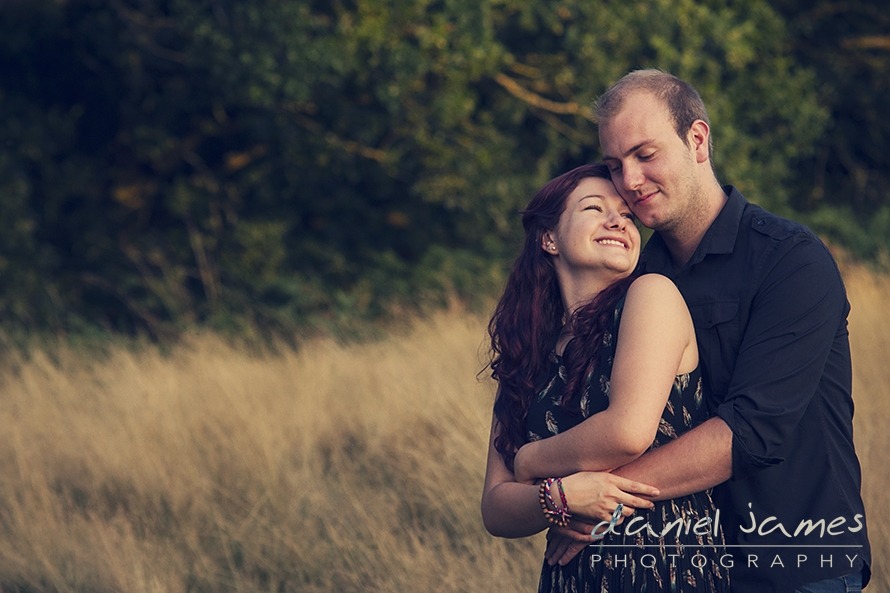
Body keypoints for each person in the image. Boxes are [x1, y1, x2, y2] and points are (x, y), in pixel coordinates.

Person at [540, 69, 871, 593]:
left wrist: (605, 501)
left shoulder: (790, 261)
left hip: (798, 562)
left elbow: (751, 432)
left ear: (697, 140)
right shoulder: (638, 278)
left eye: (645, 155)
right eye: (614, 164)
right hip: (693, 565)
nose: (628, 180)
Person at [481, 163, 729, 592]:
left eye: (627, 216)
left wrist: (530, 462)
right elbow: (495, 507)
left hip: (666, 565)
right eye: (595, 208)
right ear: (549, 238)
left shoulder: (650, 296)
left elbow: (627, 431)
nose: (618, 220)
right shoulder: (529, 351)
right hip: (571, 575)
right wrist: (559, 500)